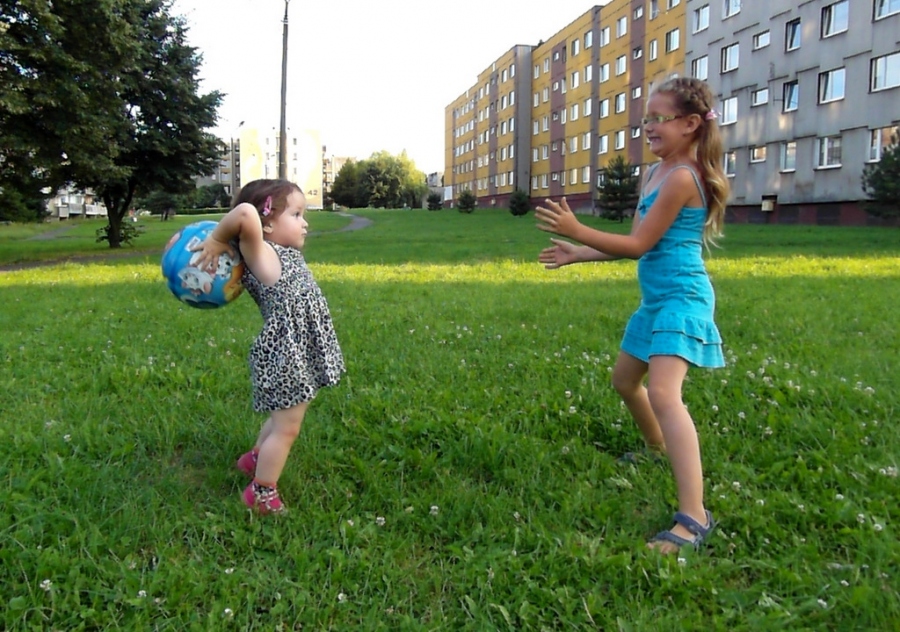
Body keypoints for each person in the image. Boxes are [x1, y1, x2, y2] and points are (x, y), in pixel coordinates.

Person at [534, 77, 729, 553]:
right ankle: (656, 448)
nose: (648, 127)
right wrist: (580, 252)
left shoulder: (685, 177)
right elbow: (634, 246)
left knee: (664, 392)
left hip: (683, 296)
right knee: (626, 380)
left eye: (658, 119)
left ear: (689, 124)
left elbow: (640, 244)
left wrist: (579, 226)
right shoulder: (656, 173)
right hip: (657, 299)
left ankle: (694, 517)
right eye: (645, 119)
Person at [192, 179, 345, 514]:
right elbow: (245, 211)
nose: (305, 222)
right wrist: (219, 238)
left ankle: (255, 459)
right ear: (269, 223)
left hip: (296, 351)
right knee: (288, 428)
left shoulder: (282, 253)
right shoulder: (262, 252)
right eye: (296, 213)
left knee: (283, 419)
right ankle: (261, 494)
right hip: (284, 353)